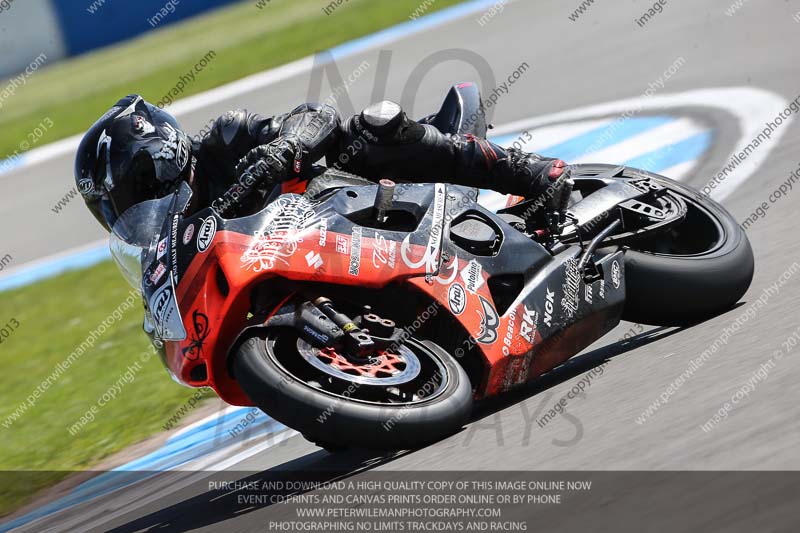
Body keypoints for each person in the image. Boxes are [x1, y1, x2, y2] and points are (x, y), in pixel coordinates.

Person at [75, 93, 569, 231]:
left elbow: (316, 115)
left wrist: (283, 150)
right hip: (317, 259)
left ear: (159, 158)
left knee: (370, 128)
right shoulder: (179, 239)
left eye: (133, 193)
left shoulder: (226, 138)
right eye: (118, 209)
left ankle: (526, 171)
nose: (133, 211)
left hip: (361, 196)